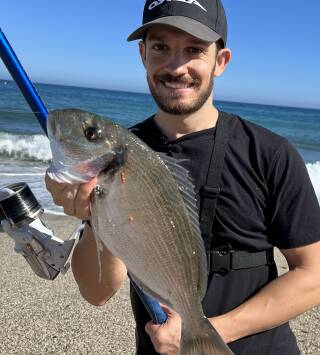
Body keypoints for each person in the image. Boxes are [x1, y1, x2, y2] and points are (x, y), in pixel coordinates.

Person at [45, 0, 320, 354]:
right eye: (161, 47)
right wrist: (94, 216)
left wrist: (204, 332)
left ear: (220, 61)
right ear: (143, 54)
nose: (176, 67)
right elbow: (96, 293)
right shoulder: (116, 154)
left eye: (194, 49)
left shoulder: (270, 153)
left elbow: (313, 275)